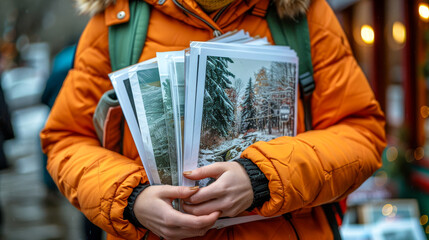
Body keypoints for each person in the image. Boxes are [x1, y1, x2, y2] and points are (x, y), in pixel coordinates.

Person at [40, 0, 386, 239]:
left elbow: (361, 133)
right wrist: (131, 200)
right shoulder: (117, 22)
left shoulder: (301, 14)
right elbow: (66, 140)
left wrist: (262, 177)